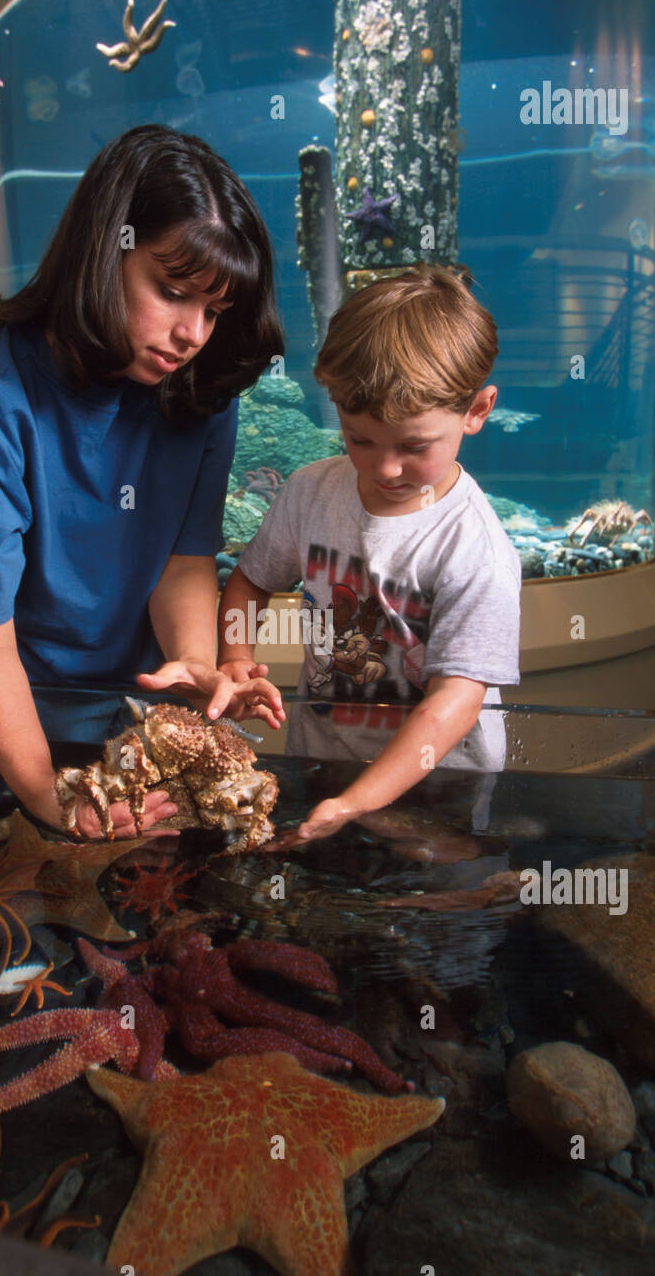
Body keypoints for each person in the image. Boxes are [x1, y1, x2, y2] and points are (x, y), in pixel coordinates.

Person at [0, 125, 285, 839]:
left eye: (214, 310)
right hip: (14, 720)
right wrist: (51, 797)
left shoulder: (199, 391)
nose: (192, 334)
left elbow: (184, 557)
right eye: (171, 292)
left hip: (143, 715)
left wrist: (193, 663)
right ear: (104, 249)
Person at [218, 263, 521, 846]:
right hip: (324, 759)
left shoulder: (475, 550)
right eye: (360, 439)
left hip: (440, 782)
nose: (385, 468)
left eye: (413, 446)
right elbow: (250, 582)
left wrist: (359, 802)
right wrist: (235, 656)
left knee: (428, 916)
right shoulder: (310, 490)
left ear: (476, 411)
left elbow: (455, 703)